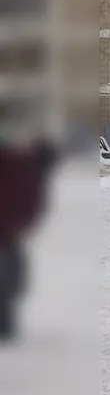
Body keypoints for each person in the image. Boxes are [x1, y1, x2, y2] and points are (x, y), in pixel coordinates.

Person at [0, 138, 56, 341]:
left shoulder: (20, 167)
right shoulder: (20, 167)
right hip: (10, 228)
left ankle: (5, 315)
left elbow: (31, 204)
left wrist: (19, 225)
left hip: (9, 230)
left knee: (12, 273)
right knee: (12, 272)